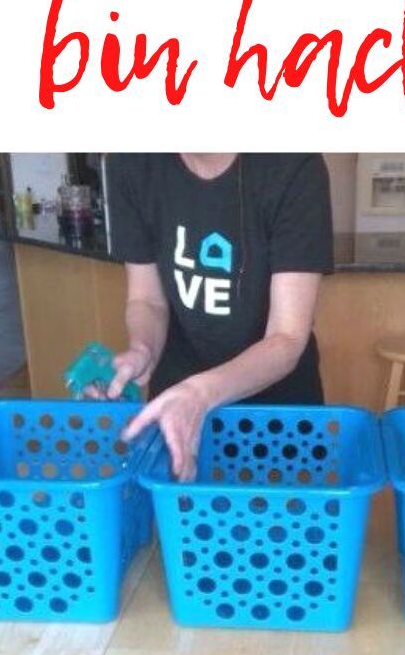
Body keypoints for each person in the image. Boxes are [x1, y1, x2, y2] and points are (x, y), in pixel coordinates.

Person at [104, 153, 334, 480]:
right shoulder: (131, 163)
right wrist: (143, 349)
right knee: (182, 526)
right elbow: (147, 300)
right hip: (179, 408)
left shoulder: (293, 166)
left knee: (279, 526)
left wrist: (200, 394)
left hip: (279, 415)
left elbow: (286, 338)